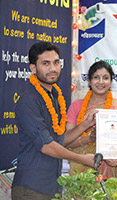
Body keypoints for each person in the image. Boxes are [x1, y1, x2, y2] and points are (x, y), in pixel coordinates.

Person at [11, 42, 95, 200]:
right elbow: (46, 145)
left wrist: (86, 124)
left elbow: (60, 139)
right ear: (33, 69)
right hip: (32, 188)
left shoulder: (54, 96)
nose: (53, 68)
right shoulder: (29, 100)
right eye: (45, 63)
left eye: (56, 62)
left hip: (52, 186)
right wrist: (82, 159)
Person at [64, 60, 117, 185]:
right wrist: (89, 139)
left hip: (111, 168)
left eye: (105, 78)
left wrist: (115, 157)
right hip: (80, 168)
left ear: (111, 81)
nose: (101, 82)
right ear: (89, 81)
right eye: (96, 77)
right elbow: (66, 141)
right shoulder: (76, 106)